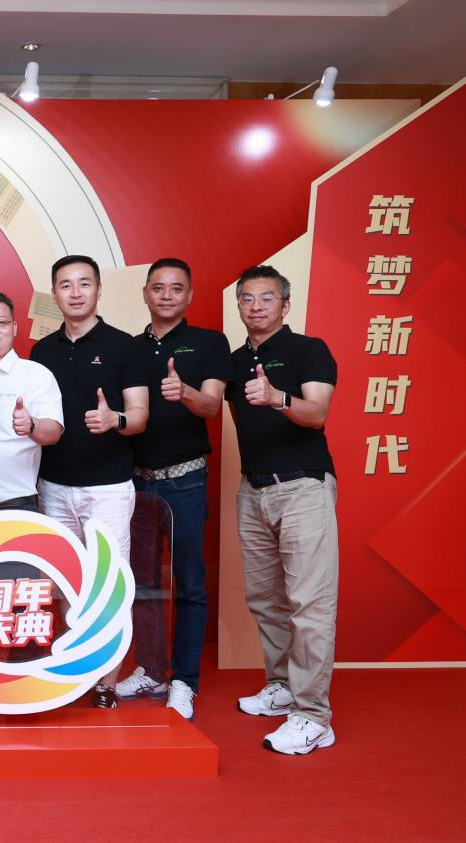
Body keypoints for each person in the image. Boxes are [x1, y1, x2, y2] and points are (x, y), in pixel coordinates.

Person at [227, 265, 339, 755]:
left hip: (303, 487)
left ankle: (313, 716)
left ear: (285, 305)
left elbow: (316, 413)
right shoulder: (234, 362)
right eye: (247, 299)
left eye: (267, 298)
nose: (256, 306)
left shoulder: (309, 350)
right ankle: (282, 686)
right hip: (253, 489)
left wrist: (276, 398)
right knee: (264, 598)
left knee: (309, 604)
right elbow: (233, 418)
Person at [29, 255, 149, 708]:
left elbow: (140, 417)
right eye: (66, 285)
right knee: (64, 582)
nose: (75, 293)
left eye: (84, 284)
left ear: (99, 290)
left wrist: (115, 419)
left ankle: (106, 683)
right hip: (53, 486)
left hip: (108, 488)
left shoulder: (125, 347)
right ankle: (78, 669)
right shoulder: (42, 352)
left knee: (110, 583)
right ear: (54, 293)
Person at [114, 258, 230, 721]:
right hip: (136, 481)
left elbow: (213, 406)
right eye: (158, 288)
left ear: (189, 295)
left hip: (186, 479)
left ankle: (184, 680)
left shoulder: (210, 342)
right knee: (142, 583)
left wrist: (184, 392)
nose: (166, 295)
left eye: (176, 288)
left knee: (189, 582)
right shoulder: (129, 347)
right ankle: (151, 669)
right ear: (145, 293)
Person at [0, 289, 63, 516]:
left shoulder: (35, 374)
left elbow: (53, 432)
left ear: (14, 328)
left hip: (15, 505)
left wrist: (31, 425)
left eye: (1, 323)